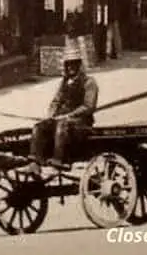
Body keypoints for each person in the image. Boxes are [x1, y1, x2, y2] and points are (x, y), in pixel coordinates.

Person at [24, 45, 98, 174]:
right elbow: (56, 101)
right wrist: (50, 115)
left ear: (79, 65)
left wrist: (68, 116)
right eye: (67, 64)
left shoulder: (89, 83)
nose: (70, 67)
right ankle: (35, 162)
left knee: (61, 125)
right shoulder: (64, 82)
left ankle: (58, 162)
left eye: (73, 64)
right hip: (62, 121)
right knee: (39, 126)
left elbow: (88, 107)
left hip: (81, 124)